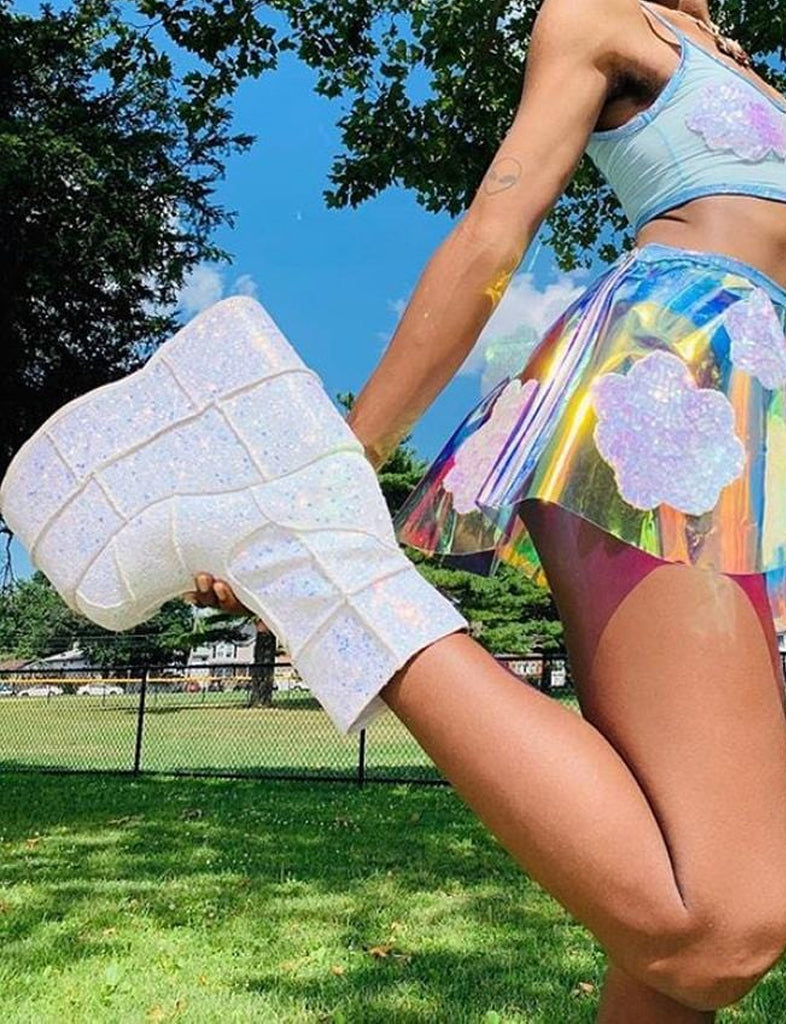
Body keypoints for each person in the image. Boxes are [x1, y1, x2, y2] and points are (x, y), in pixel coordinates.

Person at [184, 0, 786, 1019]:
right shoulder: (602, 17)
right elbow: (493, 232)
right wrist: (339, 471)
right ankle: (324, 563)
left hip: (760, 421)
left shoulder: (746, 65)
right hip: (673, 382)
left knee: (677, 928)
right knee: (722, 925)